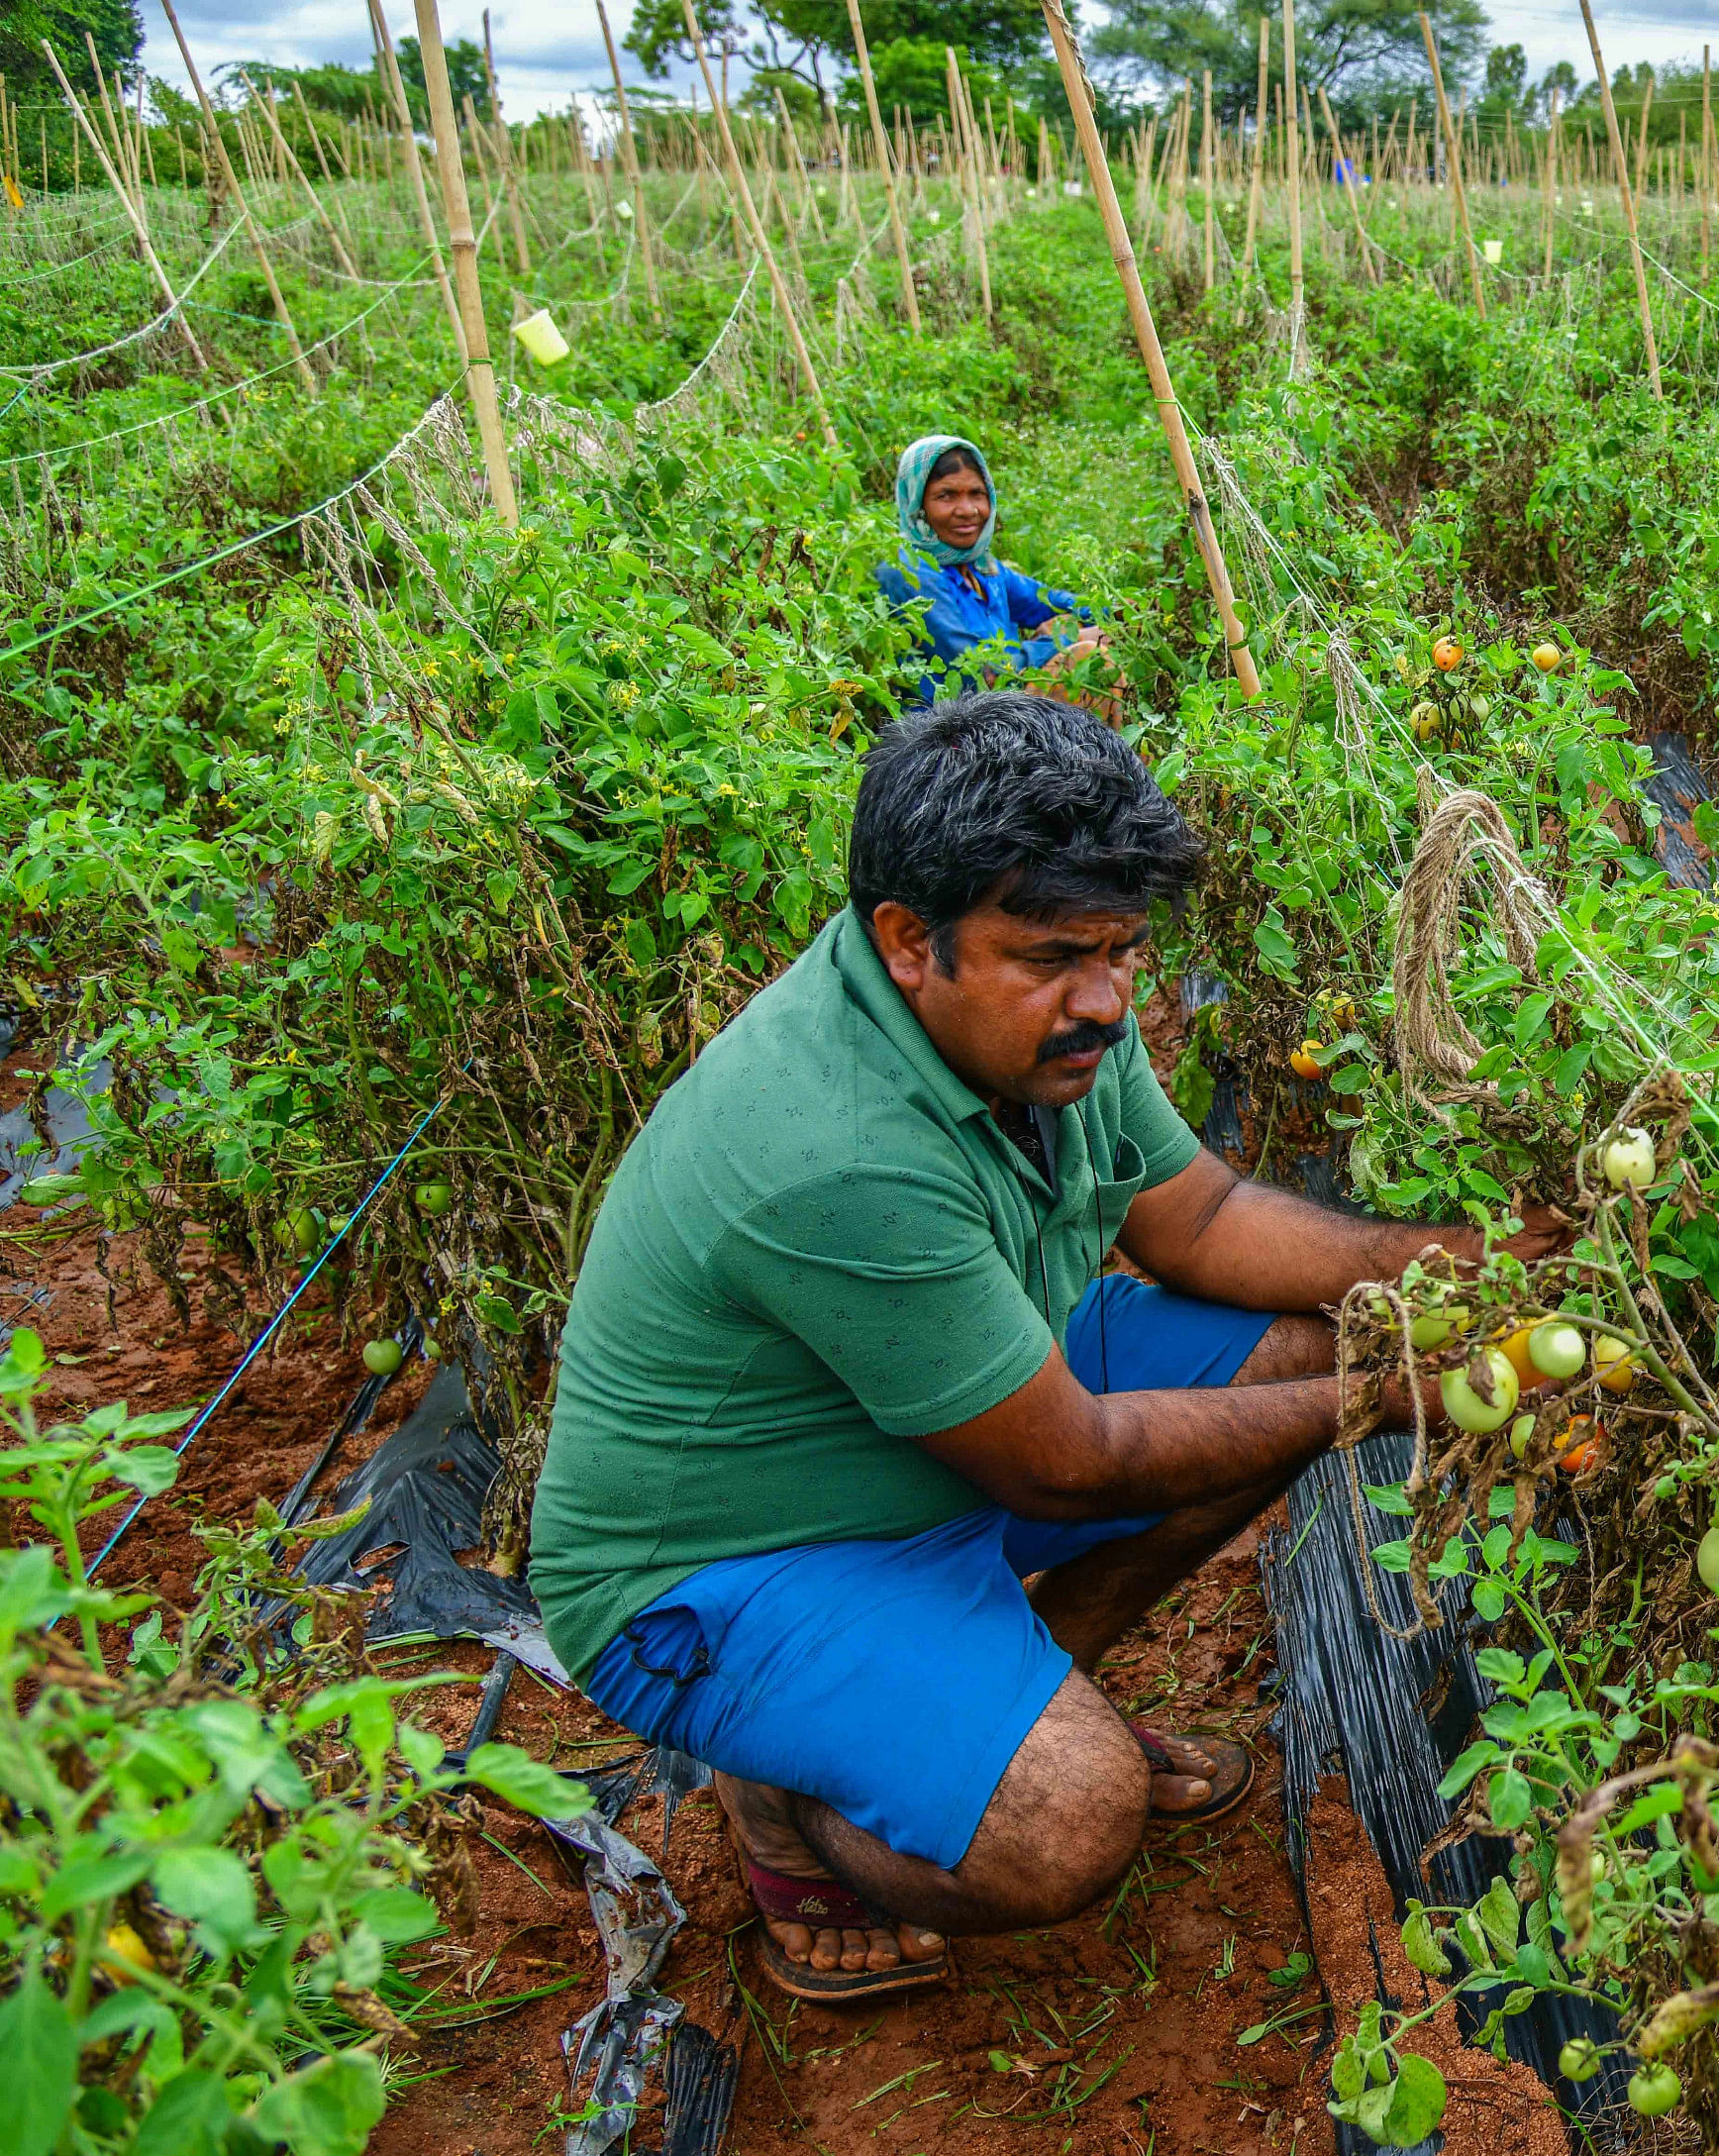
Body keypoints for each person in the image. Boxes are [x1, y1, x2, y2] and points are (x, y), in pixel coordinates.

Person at [528, 690, 1562, 2003]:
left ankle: (989, 1697)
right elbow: (1068, 1465)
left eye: (1126, 951)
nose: (1106, 1000)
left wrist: (1475, 1261)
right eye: (1056, 956)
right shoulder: (831, 1151)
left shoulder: (1046, 1024)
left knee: (1300, 1355)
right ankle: (799, 1809)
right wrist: (1386, 1392)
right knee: (1068, 1817)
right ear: (911, 941)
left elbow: (1202, 1218)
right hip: (737, 1565)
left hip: (933, 1433)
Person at [876, 436, 1111, 700]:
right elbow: (980, 671)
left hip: (999, 708)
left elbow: (1049, 600)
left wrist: (1115, 613)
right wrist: (1067, 640)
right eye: (946, 496)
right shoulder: (908, 570)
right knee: (1086, 657)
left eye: (976, 494)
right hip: (947, 728)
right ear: (918, 505)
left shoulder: (981, 568)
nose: (968, 510)